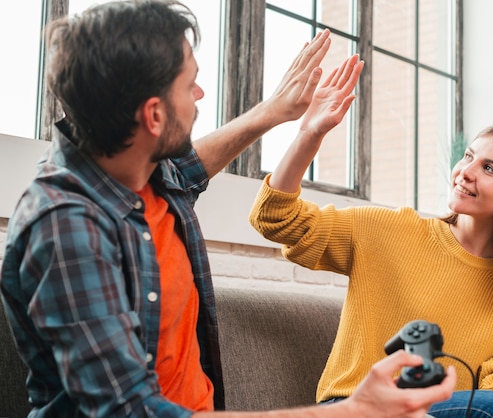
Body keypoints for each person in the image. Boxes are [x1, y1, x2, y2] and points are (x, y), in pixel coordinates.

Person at [0, 1, 458, 417]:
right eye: (189, 84)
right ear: (154, 116)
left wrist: (273, 112)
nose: (200, 95)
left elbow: (189, 168)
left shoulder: (142, 175)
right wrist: (352, 412)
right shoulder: (65, 228)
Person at [248, 81, 493, 415]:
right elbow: (276, 217)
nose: (466, 171)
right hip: (362, 407)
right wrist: (309, 135)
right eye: (468, 157)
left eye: (489, 169)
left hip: (456, 410)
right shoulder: (391, 229)